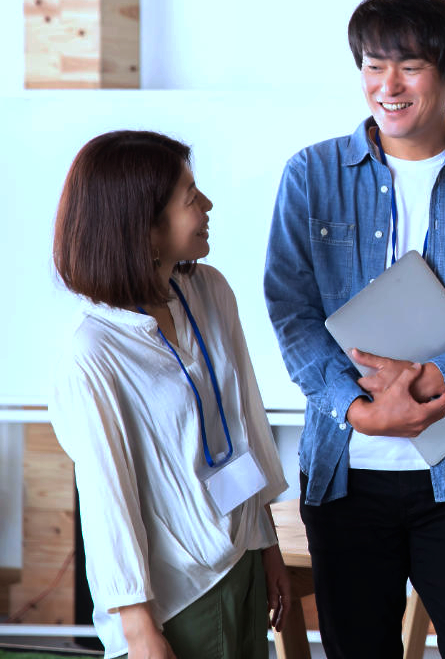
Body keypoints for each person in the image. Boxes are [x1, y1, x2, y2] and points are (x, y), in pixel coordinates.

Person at [264, 0, 445, 659]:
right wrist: (356, 409)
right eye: (373, 66)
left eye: (410, 67)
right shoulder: (312, 175)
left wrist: (436, 375)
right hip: (345, 472)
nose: (387, 86)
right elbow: (291, 309)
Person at [51, 131, 291, 659]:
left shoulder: (209, 291)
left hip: (241, 560)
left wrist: (267, 544)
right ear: (145, 226)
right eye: (191, 198)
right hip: (175, 598)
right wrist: (138, 626)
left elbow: (246, 425)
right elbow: (107, 497)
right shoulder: (93, 349)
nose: (208, 206)